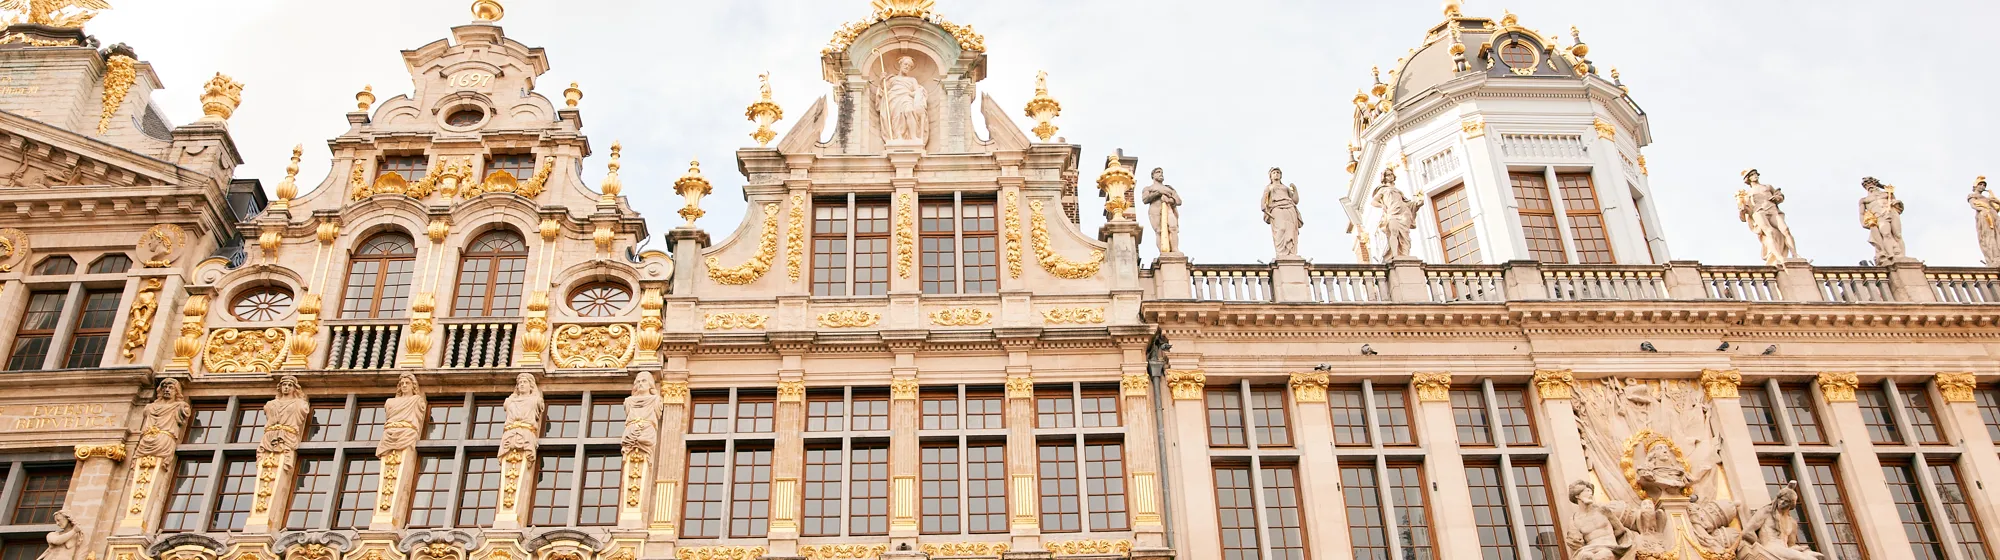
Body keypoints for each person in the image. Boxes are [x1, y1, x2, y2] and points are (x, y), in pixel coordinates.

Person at [876, 55, 928, 144]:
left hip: (907, 98)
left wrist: (912, 94)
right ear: (900, 64)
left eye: (909, 66)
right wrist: (881, 81)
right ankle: (898, 137)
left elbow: (917, 91)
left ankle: (913, 137)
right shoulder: (892, 79)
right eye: (905, 64)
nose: (907, 66)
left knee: (909, 110)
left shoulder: (912, 80)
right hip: (893, 99)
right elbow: (883, 91)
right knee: (896, 117)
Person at [377, 372, 427, 458]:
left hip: (407, 433)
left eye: (407, 383)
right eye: (402, 383)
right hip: (388, 433)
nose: (404, 385)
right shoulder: (390, 402)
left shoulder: (417, 401)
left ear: (413, 386)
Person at [259, 376, 310, 455]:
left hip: (289, 436)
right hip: (269, 437)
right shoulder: (270, 404)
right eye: (284, 385)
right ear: (280, 387)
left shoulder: (300, 404)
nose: (286, 387)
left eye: (290, 385)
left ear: (295, 388)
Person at [1261, 167, 1303, 258]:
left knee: (1291, 230)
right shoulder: (1269, 187)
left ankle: (1291, 253)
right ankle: (1281, 253)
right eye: (1274, 173)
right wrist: (1263, 207)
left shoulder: (1285, 188)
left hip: (1289, 208)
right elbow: (1264, 199)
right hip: (1276, 208)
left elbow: (1295, 200)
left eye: (1278, 172)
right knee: (1281, 228)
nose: (1276, 174)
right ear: (1270, 176)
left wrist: (1295, 190)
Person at [1142, 168, 1182, 253]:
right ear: (1153, 175)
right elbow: (1145, 200)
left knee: (1173, 227)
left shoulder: (1169, 188)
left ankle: (1175, 249)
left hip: (1169, 209)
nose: (1161, 174)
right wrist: (1158, 193)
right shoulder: (1148, 188)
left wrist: (1170, 200)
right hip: (1155, 211)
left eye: (1162, 172)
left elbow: (1179, 201)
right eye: (1158, 172)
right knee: (1159, 231)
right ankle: (1163, 252)